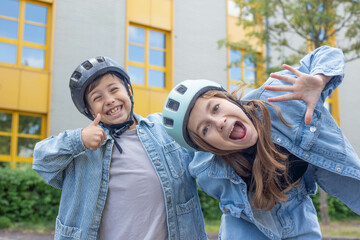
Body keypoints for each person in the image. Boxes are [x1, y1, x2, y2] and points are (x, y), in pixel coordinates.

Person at [162, 46, 360, 239]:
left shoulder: (278, 99)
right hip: (248, 225)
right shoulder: (206, 171)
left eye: (215, 108)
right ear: (206, 147)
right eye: (205, 129)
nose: (219, 122)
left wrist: (319, 79)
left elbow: (328, 53)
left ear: (231, 99)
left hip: (299, 212)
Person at [32, 56, 207, 240]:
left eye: (114, 89)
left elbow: (205, 153)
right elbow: (41, 160)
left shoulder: (163, 128)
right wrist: (79, 140)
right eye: (97, 97)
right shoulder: (84, 148)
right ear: (90, 112)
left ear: (129, 90)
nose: (109, 100)